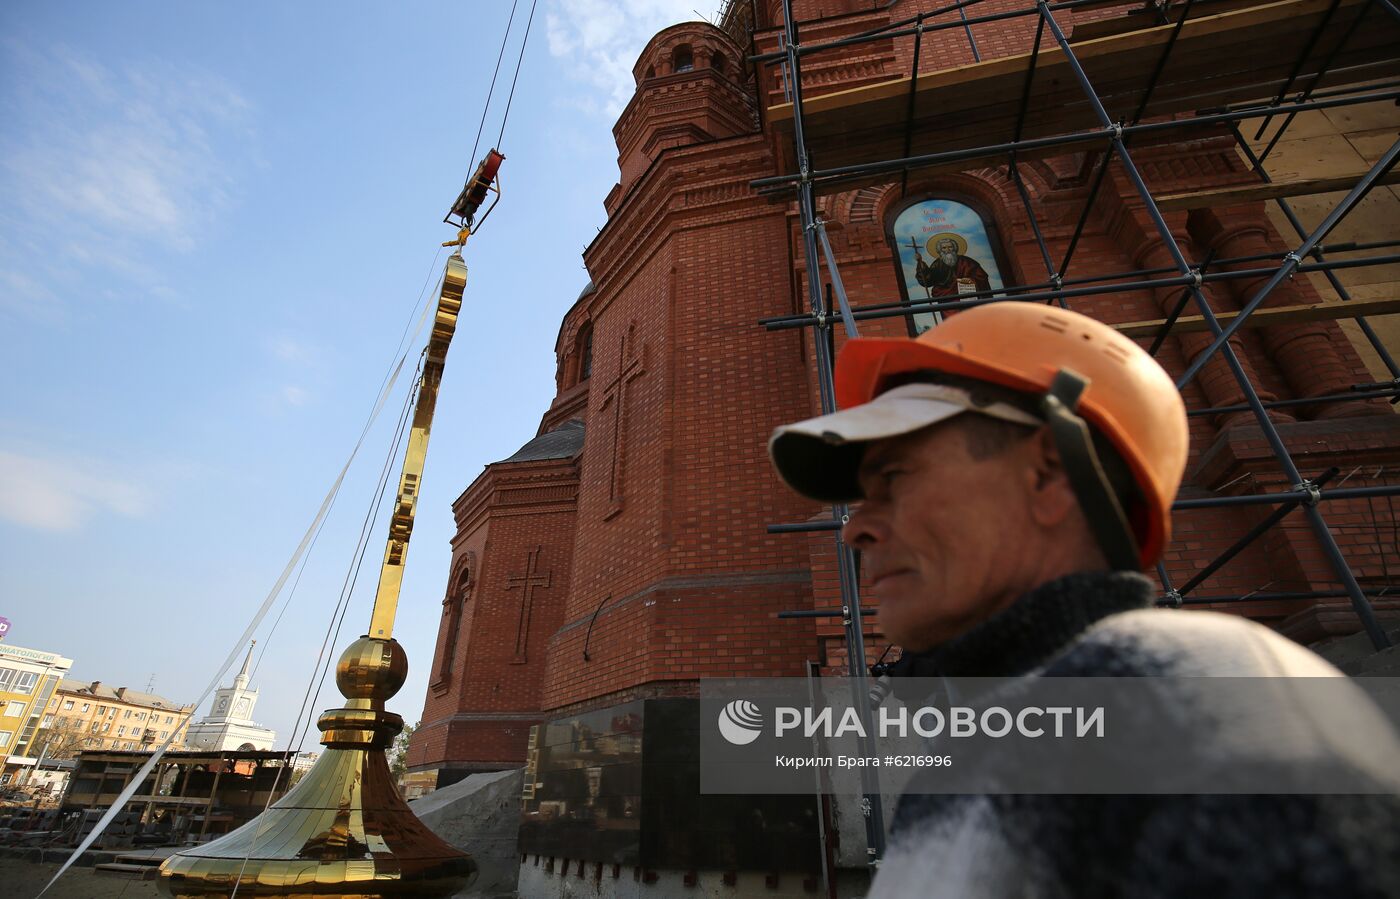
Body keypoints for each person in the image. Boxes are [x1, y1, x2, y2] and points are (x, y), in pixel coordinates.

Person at [767, 302, 1400, 897]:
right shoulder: (982, 750)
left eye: (895, 478)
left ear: (1050, 474)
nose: (856, 527)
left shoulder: (1184, 694)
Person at [913, 232, 992, 298]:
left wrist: (959, 284)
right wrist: (921, 264)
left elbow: (981, 278)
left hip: (968, 297)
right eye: (944, 248)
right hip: (947, 300)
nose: (947, 250)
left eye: (950, 247)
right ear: (940, 250)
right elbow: (928, 280)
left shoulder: (967, 262)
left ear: (954, 248)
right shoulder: (937, 264)